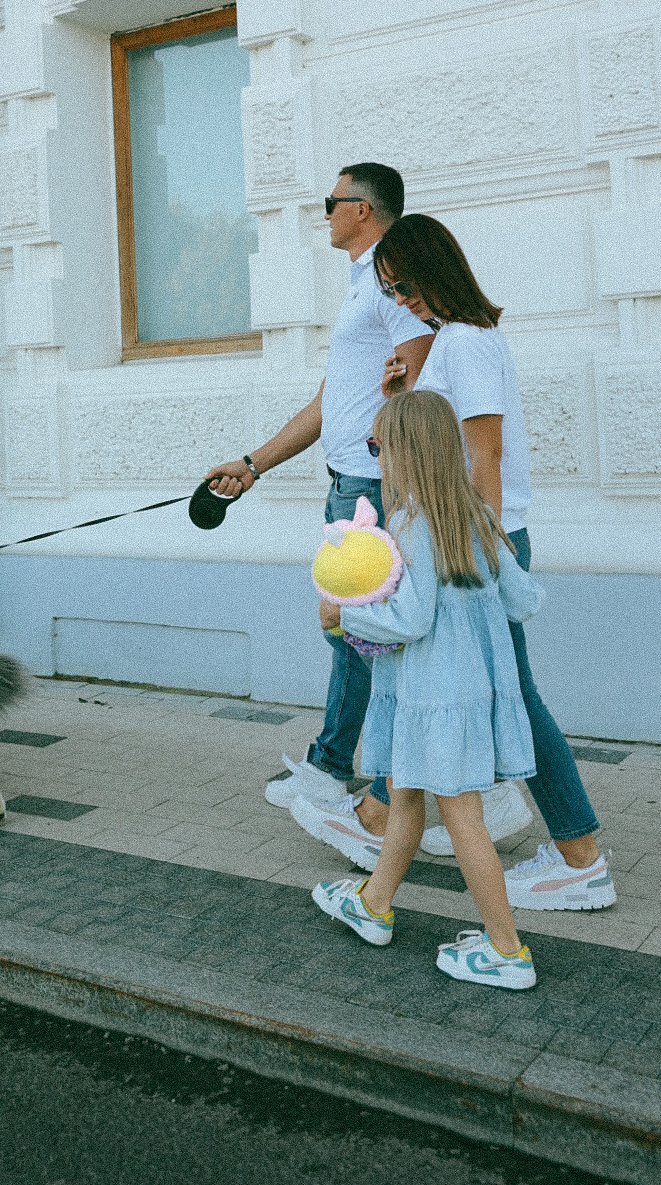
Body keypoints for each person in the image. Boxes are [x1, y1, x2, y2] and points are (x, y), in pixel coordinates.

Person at [314, 212, 615, 914]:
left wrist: (479, 546)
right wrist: (398, 402)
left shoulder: (470, 342)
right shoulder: (453, 341)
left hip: (476, 540)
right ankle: (394, 812)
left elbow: (483, 455)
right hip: (471, 537)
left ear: (438, 270)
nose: (400, 302)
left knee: (511, 696)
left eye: (406, 285)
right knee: (479, 687)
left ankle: (578, 855)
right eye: (389, 291)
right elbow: (445, 441)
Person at [206, 164, 434, 826]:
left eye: (330, 202)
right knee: (356, 636)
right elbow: (329, 401)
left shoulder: (390, 275)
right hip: (351, 485)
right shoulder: (363, 281)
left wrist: (382, 441)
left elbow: (420, 364)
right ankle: (342, 770)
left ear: (361, 210)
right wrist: (254, 464)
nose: (324, 212)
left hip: (370, 486)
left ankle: (341, 776)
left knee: (360, 636)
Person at [312, 391, 540, 990]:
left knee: (462, 817)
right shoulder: (476, 518)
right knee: (406, 795)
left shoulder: (412, 524)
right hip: (453, 696)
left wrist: (345, 616)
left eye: (376, 447)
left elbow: (411, 620)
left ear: (404, 453)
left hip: (436, 698)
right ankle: (374, 903)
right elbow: (524, 600)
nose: (375, 458)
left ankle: (507, 950)